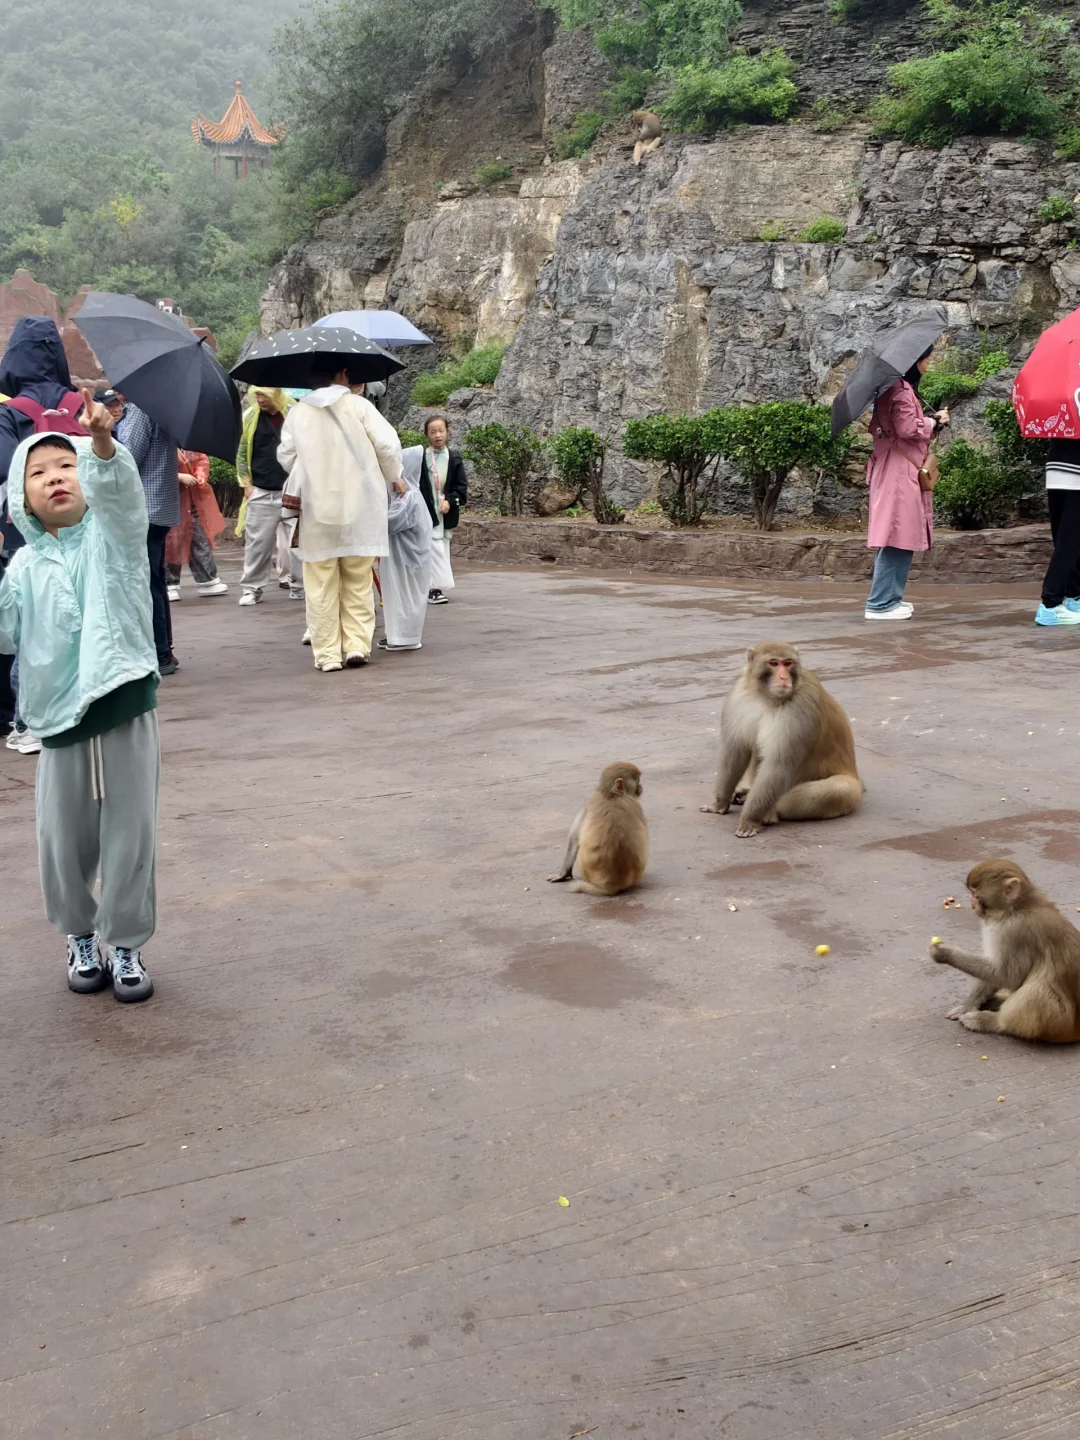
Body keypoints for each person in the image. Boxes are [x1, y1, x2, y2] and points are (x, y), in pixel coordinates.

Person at [0, 391, 159, 1002]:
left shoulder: (113, 535)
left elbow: (119, 495)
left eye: (64, 466)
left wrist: (98, 443)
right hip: (57, 712)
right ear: (22, 499)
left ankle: (125, 943)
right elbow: (5, 635)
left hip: (123, 695)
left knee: (132, 831)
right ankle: (79, 934)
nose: (54, 479)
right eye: (36, 473)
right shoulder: (23, 569)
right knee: (61, 836)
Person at [279, 364, 406, 672]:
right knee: (358, 578)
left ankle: (327, 655)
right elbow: (388, 446)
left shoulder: (298, 413)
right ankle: (356, 646)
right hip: (360, 507)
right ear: (343, 374)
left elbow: (286, 457)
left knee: (320, 583)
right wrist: (395, 476)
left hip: (316, 509)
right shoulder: (359, 406)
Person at [1, 318, 87, 748]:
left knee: (33, 623)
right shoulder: (81, 405)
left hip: (27, 534)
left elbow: (4, 469)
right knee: (81, 614)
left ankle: (29, 720)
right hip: (84, 531)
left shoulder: (10, 412)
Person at [863, 348, 949, 621]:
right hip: (899, 473)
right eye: (926, 358)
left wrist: (931, 425)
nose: (928, 363)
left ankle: (889, 598)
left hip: (895, 467)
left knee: (899, 534)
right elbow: (906, 428)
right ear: (915, 361)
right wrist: (934, 420)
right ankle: (880, 604)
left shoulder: (894, 388)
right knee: (896, 536)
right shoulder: (900, 390)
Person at [114, 395, 181, 674]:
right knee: (154, 580)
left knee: (145, 582)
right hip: (159, 506)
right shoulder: (162, 406)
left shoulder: (140, 410)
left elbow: (125, 457)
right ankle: (164, 648)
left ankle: (159, 652)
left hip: (143, 508)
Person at [236, 386, 296, 606]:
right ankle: (252, 588)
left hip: (292, 489)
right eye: (257, 394)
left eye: (265, 394)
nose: (260, 399)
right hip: (261, 489)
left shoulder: (293, 412)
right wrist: (246, 483)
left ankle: (299, 586)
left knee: (298, 544)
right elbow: (242, 451)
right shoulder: (250, 416)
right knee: (257, 544)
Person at [379, 445, 433, 651]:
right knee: (397, 597)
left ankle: (405, 637)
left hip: (408, 564)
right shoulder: (408, 496)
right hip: (403, 562)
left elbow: (389, 522)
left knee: (405, 599)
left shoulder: (409, 498)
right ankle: (396, 634)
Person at [165, 449, 228, 601]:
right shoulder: (161, 441)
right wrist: (178, 477)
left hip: (191, 499)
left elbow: (201, 458)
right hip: (168, 500)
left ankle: (206, 579)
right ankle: (168, 583)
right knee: (171, 542)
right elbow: (151, 468)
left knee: (199, 537)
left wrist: (200, 474)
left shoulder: (186, 444)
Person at [1034, 439, 1080, 626]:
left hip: (1056, 468)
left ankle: (1074, 596)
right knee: (1069, 543)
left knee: (1065, 539)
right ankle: (1050, 606)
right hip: (1076, 471)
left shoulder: (1062, 408)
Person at [423, 414, 467, 604]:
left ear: (447, 432)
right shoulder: (421, 458)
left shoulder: (454, 459)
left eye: (441, 431)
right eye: (433, 432)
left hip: (444, 513)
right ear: (427, 435)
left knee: (441, 547)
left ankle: (436, 587)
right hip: (426, 511)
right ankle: (433, 587)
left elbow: (461, 488)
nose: (438, 435)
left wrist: (450, 500)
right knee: (431, 548)